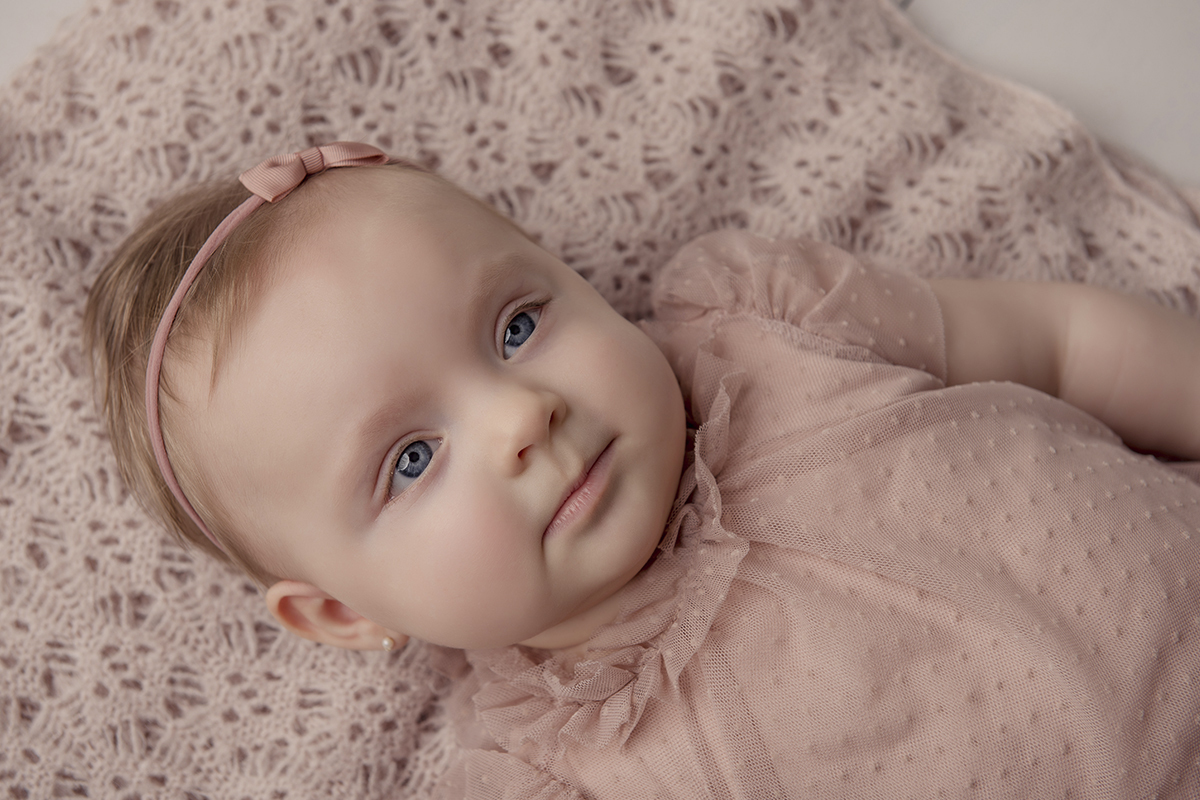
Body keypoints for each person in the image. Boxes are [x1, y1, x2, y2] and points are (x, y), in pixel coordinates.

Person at [86, 142, 1200, 798]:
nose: (524, 416)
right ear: (338, 608)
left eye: (518, 325)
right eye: (411, 459)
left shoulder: (763, 321)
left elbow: (1058, 342)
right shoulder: (542, 773)